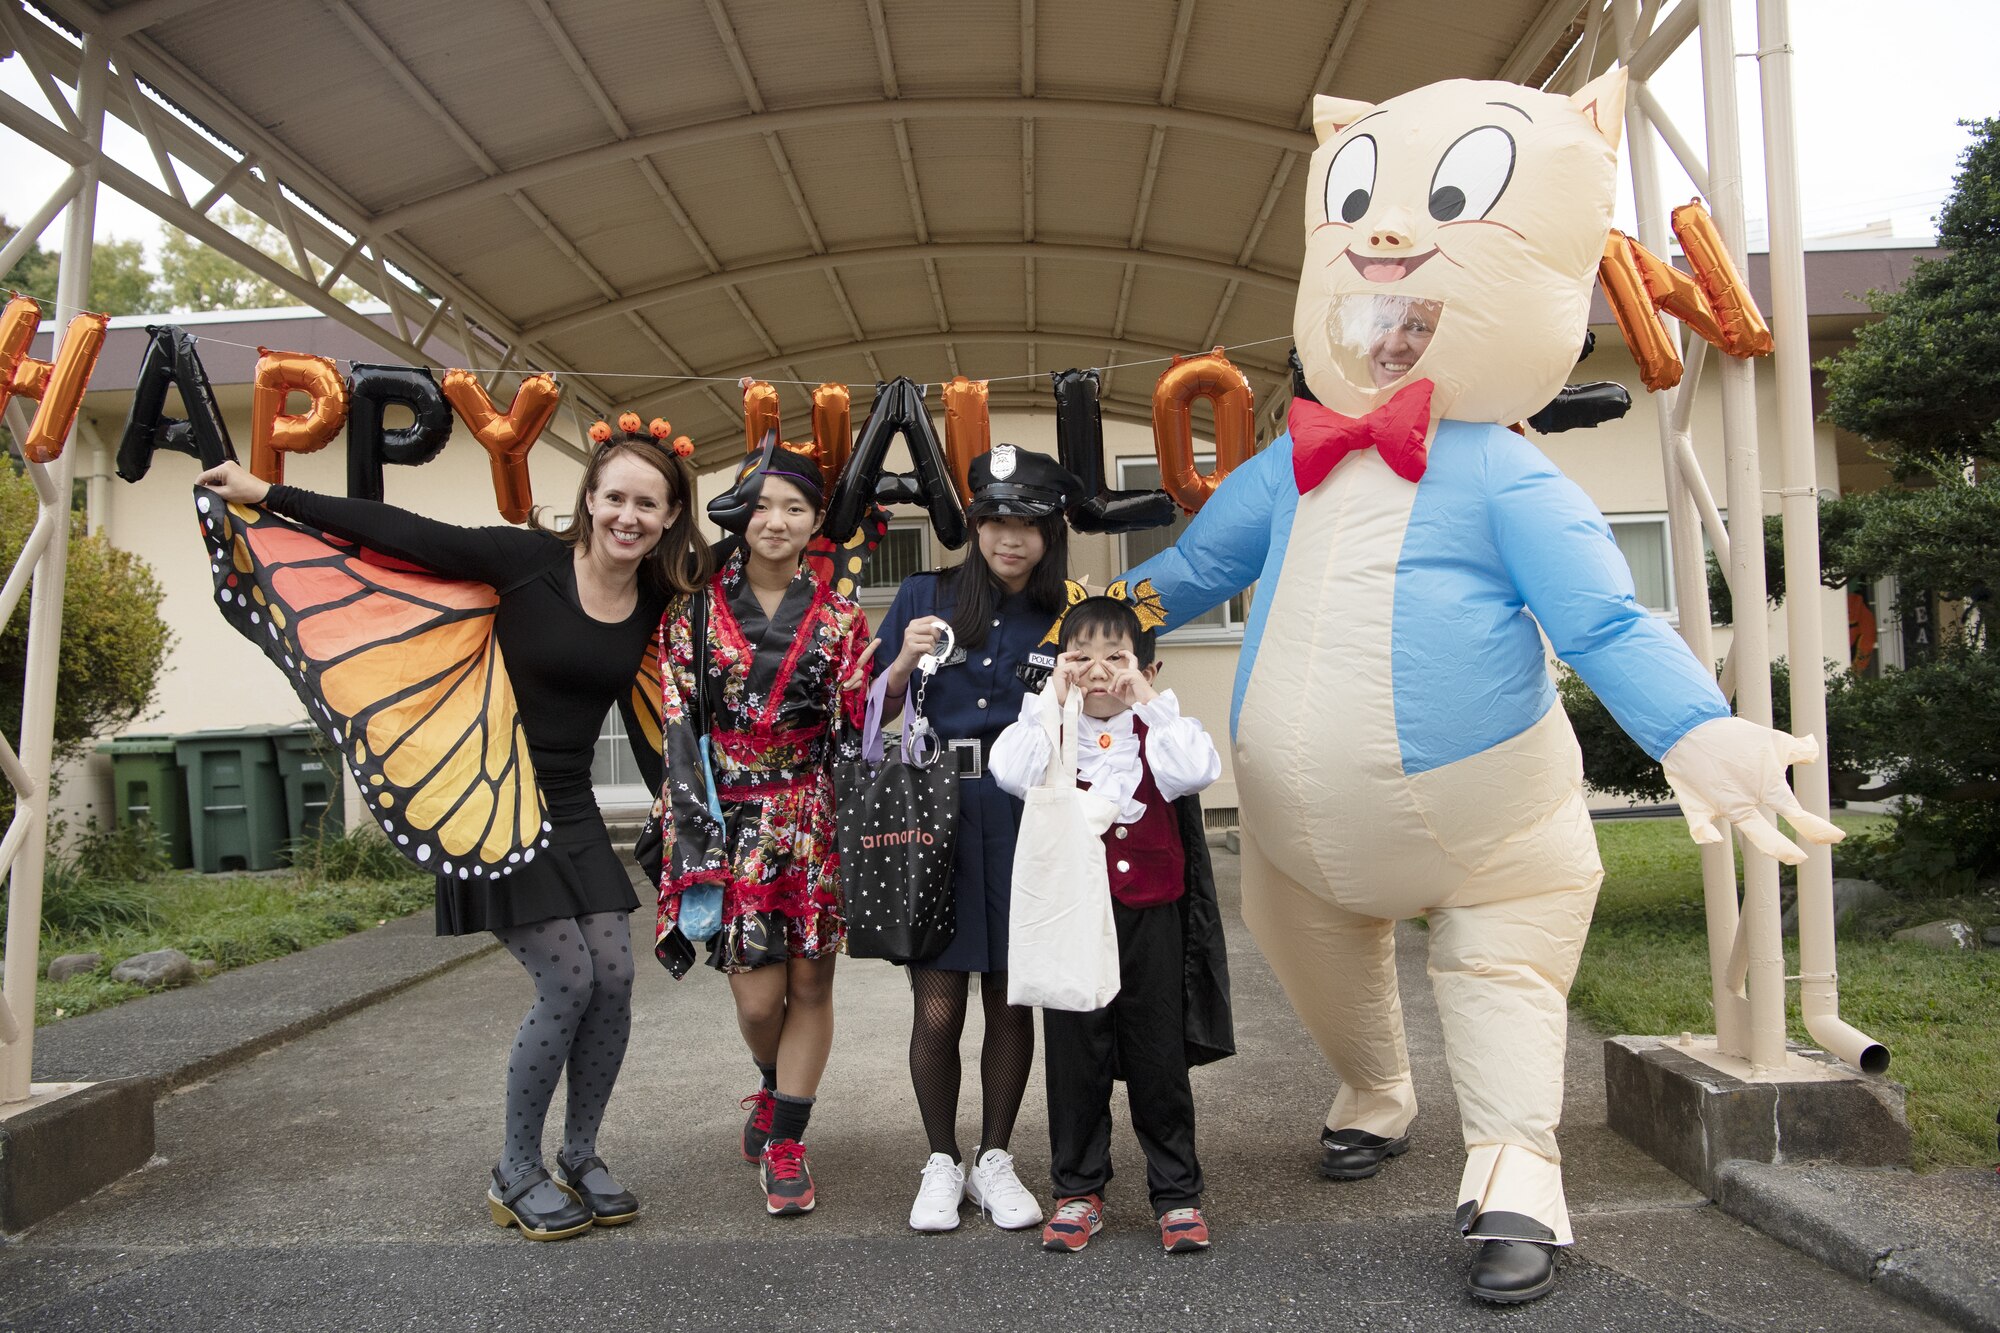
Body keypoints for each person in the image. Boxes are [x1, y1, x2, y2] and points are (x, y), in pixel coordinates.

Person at [195, 414, 709, 1241]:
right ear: (589, 497)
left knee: (615, 972)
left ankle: (580, 1153)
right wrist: (269, 493)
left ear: (670, 517)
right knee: (568, 978)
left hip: (571, 806)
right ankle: (515, 1167)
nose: (629, 516)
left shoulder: (660, 597)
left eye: (649, 505)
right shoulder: (528, 562)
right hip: (483, 795)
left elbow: (703, 660)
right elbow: (404, 532)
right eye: (616, 496)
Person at [653, 439, 874, 1219]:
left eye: (796, 507)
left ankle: (787, 1139)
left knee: (811, 980)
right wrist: (689, 833)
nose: (777, 520)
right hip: (730, 817)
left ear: (818, 521)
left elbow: (859, 734)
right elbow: (678, 723)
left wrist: (878, 688)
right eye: (763, 505)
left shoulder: (844, 616)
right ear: (740, 515)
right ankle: (774, 1081)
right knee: (756, 999)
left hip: (813, 814)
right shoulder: (691, 613)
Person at [871, 444, 1080, 1233]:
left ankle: (995, 1156)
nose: (1009, 537)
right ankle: (939, 1159)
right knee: (938, 1006)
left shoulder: (1066, 611)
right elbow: (876, 709)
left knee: (1009, 1000)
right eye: (994, 519)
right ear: (975, 525)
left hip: (1026, 818)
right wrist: (900, 663)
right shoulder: (926, 595)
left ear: (1049, 528)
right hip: (938, 814)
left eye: (1026, 521)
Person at [989, 596, 1224, 1254]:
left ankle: (1176, 1192)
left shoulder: (1159, 728)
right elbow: (1009, 771)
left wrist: (1145, 696)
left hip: (1150, 909)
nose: (1097, 669)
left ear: (1147, 665)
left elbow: (1198, 769)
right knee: (1075, 1051)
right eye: (1081, 655)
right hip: (1071, 912)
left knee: (1157, 1053)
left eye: (1114, 656)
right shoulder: (1048, 727)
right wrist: (1048, 698)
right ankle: (1077, 1188)